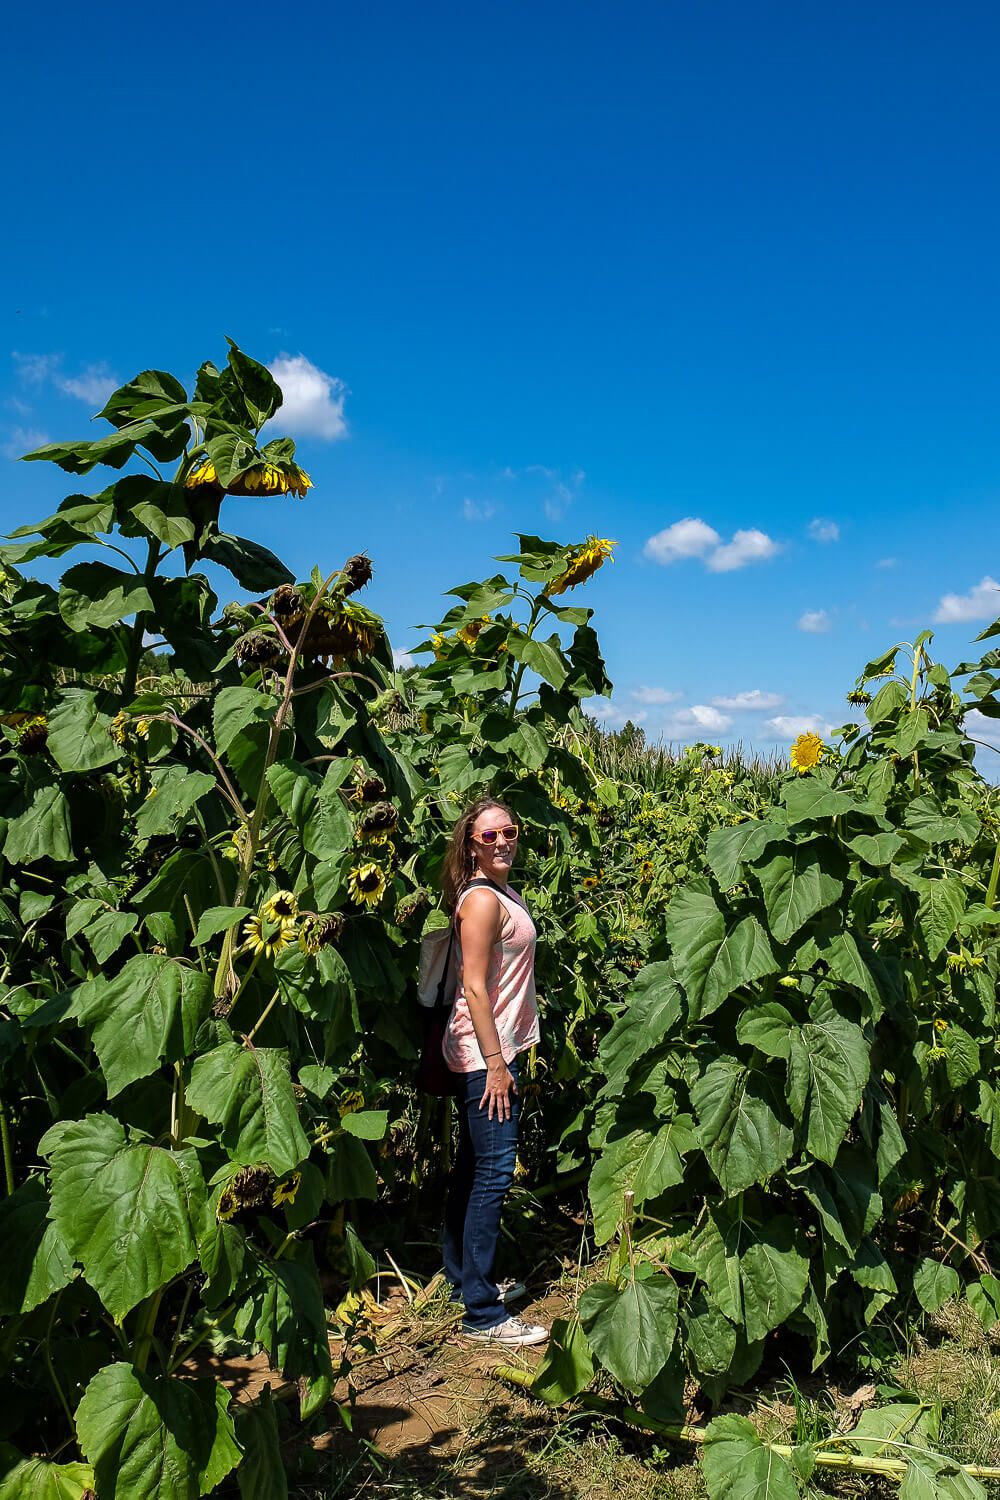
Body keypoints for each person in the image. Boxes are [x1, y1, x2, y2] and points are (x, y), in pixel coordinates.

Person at [439, 797, 549, 1347]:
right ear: (471, 845)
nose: (503, 840)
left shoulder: (501, 892)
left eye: (510, 829)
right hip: (487, 1054)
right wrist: (498, 1063)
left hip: (490, 1048)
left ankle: (463, 1278)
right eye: (490, 836)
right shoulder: (481, 902)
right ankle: (483, 1312)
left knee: (474, 1164)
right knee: (495, 1171)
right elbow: (475, 987)